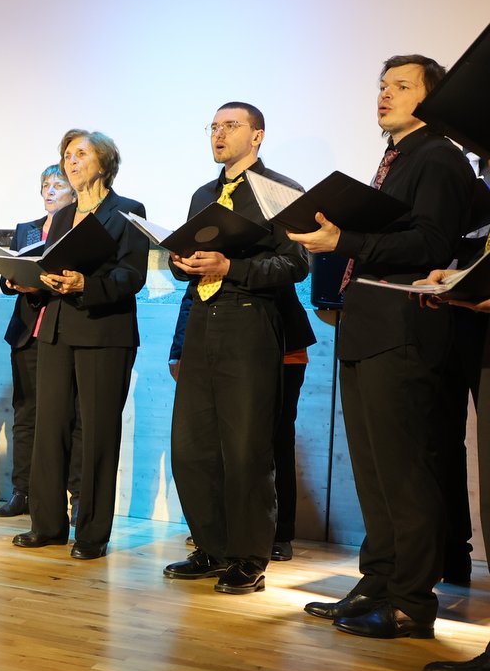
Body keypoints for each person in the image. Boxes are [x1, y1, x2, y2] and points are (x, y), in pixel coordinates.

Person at [289, 56, 475, 639]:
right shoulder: (395, 159)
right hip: (368, 327)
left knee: (404, 473)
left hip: (404, 329)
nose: (385, 94)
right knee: (372, 472)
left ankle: (412, 603)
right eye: (382, 85)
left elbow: (432, 244)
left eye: (401, 86)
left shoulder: (438, 156)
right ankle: (378, 581)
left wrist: (345, 239)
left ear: (430, 99)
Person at [161, 103, 309, 595]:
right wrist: (181, 263)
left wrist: (233, 268)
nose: (219, 134)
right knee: (192, 447)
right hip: (203, 322)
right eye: (214, 126)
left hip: (251, 319)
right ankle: (212, 548)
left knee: (246, 449)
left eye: (231, 126)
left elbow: (295, 264)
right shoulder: (203, 194)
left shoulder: (279, 190)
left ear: (257, 135)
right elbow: (189, 265)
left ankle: (249, 557)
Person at [12, 130, 147, 561]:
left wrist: (87, 284)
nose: (70, 161)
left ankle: (91, 532)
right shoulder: (63, 214)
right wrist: (35, 281)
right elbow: (50, 266)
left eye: (80, 154)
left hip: (104, 333)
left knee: (96, 434)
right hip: (55, 330)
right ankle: (47, 525)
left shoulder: (127, 211)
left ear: (104, 162)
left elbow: (132, 275)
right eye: (67, 155)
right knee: (49, 428)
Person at [169, 283, 315, 563]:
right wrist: (179, 348)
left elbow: (285, 272)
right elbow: (196, 291)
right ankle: (220, 536)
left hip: (278, 343)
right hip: (218, 346)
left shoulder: (268, 256)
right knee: (216, 445)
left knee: (275, 440)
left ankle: (280, 533)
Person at [0, 163, 81, 519]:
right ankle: (23, 491)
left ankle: (76, 496)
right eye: (46, 185)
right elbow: (8, 277)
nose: (50, 191)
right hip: (27, 332)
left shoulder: (79, 229)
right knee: (26, 412)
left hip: (62, 330)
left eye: (58, 184)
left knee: (69, 416)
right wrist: (12, 280)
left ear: (74, 191)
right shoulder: (26, 230)